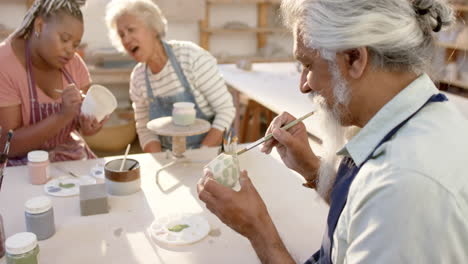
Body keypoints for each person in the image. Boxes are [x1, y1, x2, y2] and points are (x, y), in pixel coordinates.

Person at [198, 0, 468, 263]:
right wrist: (313, 170)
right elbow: (359, 211)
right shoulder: (423, 116)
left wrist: (258, 230)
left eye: (308, 65)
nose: (304, 85)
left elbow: (383, 202)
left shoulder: (403, 190)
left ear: (354, 58)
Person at [105, 0, 235, 153]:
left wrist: (201, 154)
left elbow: (226, 110)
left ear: (153, 28)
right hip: (169, 157)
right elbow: (145, 128)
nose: (126, 40)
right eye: (121, 35)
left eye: (131, 30)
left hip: (210, 152)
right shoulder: (138, 78)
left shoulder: (191, 57)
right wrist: (159, 162)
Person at [0, 0, 105, 166]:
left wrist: (88, 125)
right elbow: (8, 145)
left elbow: (81, 124)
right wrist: (62, 116)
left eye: (75, 44)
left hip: (69, 160)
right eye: (64, 39)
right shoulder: (5, 64)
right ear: (40, 26)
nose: (70, 50)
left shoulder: (74, 63)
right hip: (21, 167)